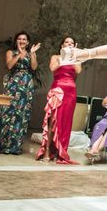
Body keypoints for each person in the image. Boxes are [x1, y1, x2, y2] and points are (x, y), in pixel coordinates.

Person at [0, 31, 40, 154]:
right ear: (16, 41)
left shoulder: (30, 53)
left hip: (27, 86)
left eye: (24, 39)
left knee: (21, 116)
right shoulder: (10, 52)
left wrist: (32, 54)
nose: (22, 41)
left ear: (27, 42)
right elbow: (9, 66)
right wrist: (19, 54)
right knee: (6, 113)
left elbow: (33, 67)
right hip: (14, 84)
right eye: (19, 39)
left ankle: (14, 147)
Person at [36, 36, 81, 164]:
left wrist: (73, 55)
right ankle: (47, 151)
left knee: (65, 123)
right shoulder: (56, 57)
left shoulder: (76, 58)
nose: (69, 44)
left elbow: (78, 70)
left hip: (70, 93)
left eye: (72, 43)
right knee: (52, 121)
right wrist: (64, 57)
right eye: (67, 42)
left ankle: (60, 152)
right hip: (58, 90)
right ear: (62, 45)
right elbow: (52, 68)